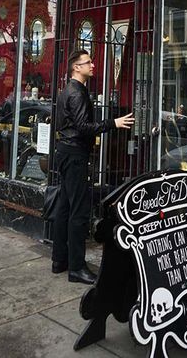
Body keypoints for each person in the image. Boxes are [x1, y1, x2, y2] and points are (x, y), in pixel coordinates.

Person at [51, 48, 134, 284]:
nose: (93, 65)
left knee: (65, 207)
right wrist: (113, 123)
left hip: (66, 152)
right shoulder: (76, 93)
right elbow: (83, 127)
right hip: (74, 154)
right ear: (76, 67)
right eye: (88, 62)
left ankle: (59, 260)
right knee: (78, 212)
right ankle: (76, 267)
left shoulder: (68, 90)